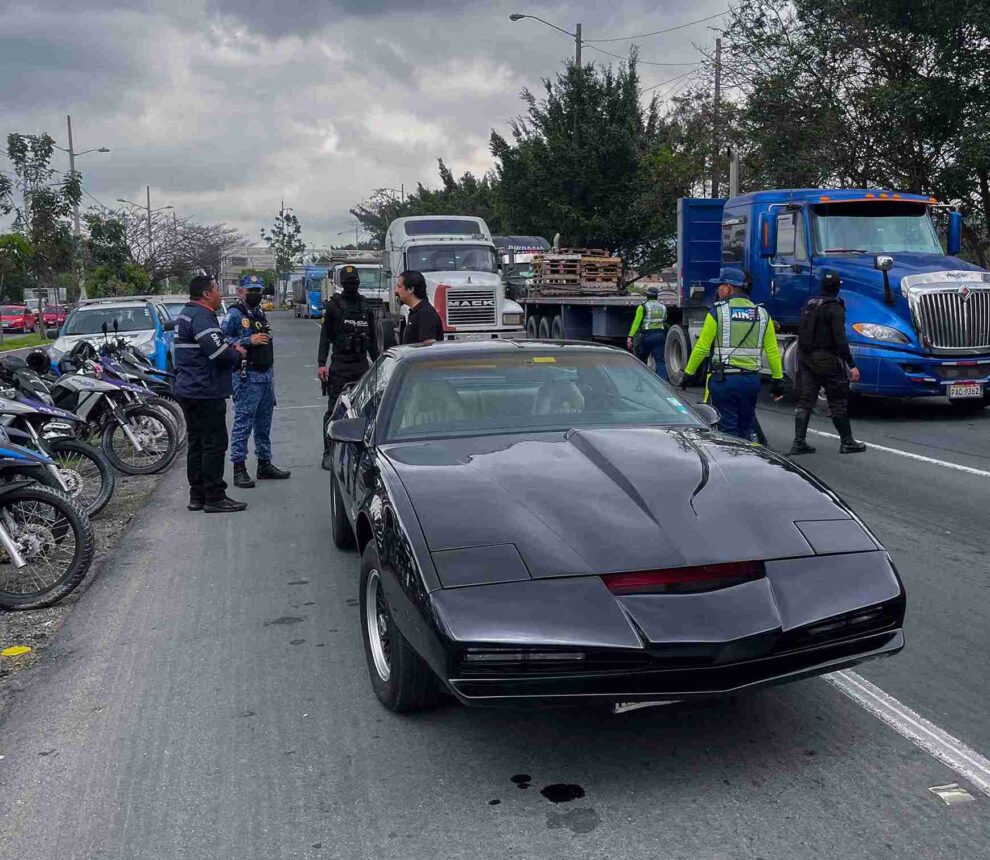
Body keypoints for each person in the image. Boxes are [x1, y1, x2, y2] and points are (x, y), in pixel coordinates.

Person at [682, 266, 785, 439]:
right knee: (747, 426)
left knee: (728, 429)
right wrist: (778, 380)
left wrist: (688, 373)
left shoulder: (718, 312)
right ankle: (751, 457)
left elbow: (702, 347)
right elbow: (773, 351)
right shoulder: (762, 314)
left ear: (728, 288)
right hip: (751, 382)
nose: (718, 289)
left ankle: (732, 461)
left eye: (720, 286)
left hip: (725, 381)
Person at [173, 275, 247, 513]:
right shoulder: (201, 316)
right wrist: (237, 353)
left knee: (197, 443)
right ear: (206, 294)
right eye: (217, 290)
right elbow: (218, 353)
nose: (220, 294)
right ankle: (215, 497)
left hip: (190, 388)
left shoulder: (187, 313)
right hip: (204, 390)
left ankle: (198, 496)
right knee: (214, 443)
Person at [222, 274, 291, 488]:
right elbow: (221, 340)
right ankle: (239, 468)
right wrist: (247, 340)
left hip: (265, 375)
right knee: (243, 423)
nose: (255, 294)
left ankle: (264, 463)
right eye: (250, 290)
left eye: (258, 290)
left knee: (264, 424)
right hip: (246, 376)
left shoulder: (259, 312)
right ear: (240, 291)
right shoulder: (234, 314)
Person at [789, 272, 867, 455]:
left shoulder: (811, 304)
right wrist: (851, 364)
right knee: (837, 400)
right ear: (838, 288)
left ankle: (798, 442)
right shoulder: (835, 308)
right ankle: (847, 442)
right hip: (827, 358)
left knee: (806, 400)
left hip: (806, 356)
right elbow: (840, 338)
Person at [317, 265, 378, 470]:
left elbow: (374, 341)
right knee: (334, 410)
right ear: (342, 283)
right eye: (349, 281)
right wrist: (321, 364)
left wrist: (379, 365)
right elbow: (325, 337)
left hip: (361, 364)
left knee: (364, 409)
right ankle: (328, 453)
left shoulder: (366, 306)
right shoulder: (334, 306)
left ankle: (361, 451)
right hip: (340, 365)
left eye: (355, 281)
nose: (352, 284)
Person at [626, 286, 669, 379]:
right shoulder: (663, 307)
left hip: (647, 336)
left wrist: (630, 336)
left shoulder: (642, 307)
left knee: (642, 360)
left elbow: (636, 324)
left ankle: (641, 382)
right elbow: (665, 319)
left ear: (647, 296)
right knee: (660, 361)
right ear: (657, 296)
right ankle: (663, 383)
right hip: (660, 335)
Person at [395, 270, 444, 345]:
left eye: (399, 286)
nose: (396, 290)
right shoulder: (416, 312)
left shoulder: (425, 314)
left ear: (410, 289)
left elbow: (429, 346)